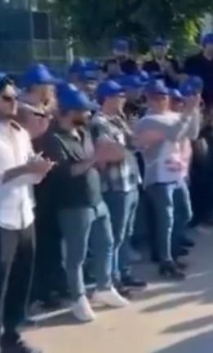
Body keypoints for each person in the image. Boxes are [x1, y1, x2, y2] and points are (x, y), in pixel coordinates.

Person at [0, 76, 54, 353]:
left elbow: (29, 177)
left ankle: (12, 338)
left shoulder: (20, 133)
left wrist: (38, 169)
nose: (13, 103)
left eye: (15, 97)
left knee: (20, 285)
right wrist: (25, 170)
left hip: (24, 216)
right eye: (6, 98)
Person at [41, 85, 130, 322]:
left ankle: (104, 287)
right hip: (73, 204)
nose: (89, 114)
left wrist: (105, 157)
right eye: (84, 110)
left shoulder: (83, 132)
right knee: (76, 255)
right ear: (70, 112)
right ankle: (78, 298)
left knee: (107, 243)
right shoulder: (53, 139)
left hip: (96, 199)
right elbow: (66, 172)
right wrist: (96, 158)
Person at [134, 80, 199, 280]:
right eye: (155, 97)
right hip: (158, 176)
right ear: (148, 99)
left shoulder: (174, 116)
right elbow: (174, 133)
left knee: (185, 214)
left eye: (163, 97)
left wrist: (194, 110)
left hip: (177, 175)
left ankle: (172, 251)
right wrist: (187, 113)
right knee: (166, 220)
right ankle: (166, 260)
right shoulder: (147, 121)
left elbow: (192, 133)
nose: (160, 101)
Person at [91, 80, 147, 292]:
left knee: (126, 233)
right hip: (115, 185)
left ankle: (124, 272)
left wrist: (129, 143)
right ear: (107, 98)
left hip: (130, 181)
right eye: (119, 96)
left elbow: (136, 143)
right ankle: (113, 279)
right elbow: (109, 152)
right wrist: (127, 146)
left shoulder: (118, 119)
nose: (123, 99)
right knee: (115, 235)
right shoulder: (99, 122)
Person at [184, 33, 213, 226]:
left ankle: (209, 211)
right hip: (196, 111)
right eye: (212, 44)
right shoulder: (192, 62)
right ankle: (193, 212)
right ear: (204, 44)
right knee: (195, 162)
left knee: (211, 162)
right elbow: (185, 85)